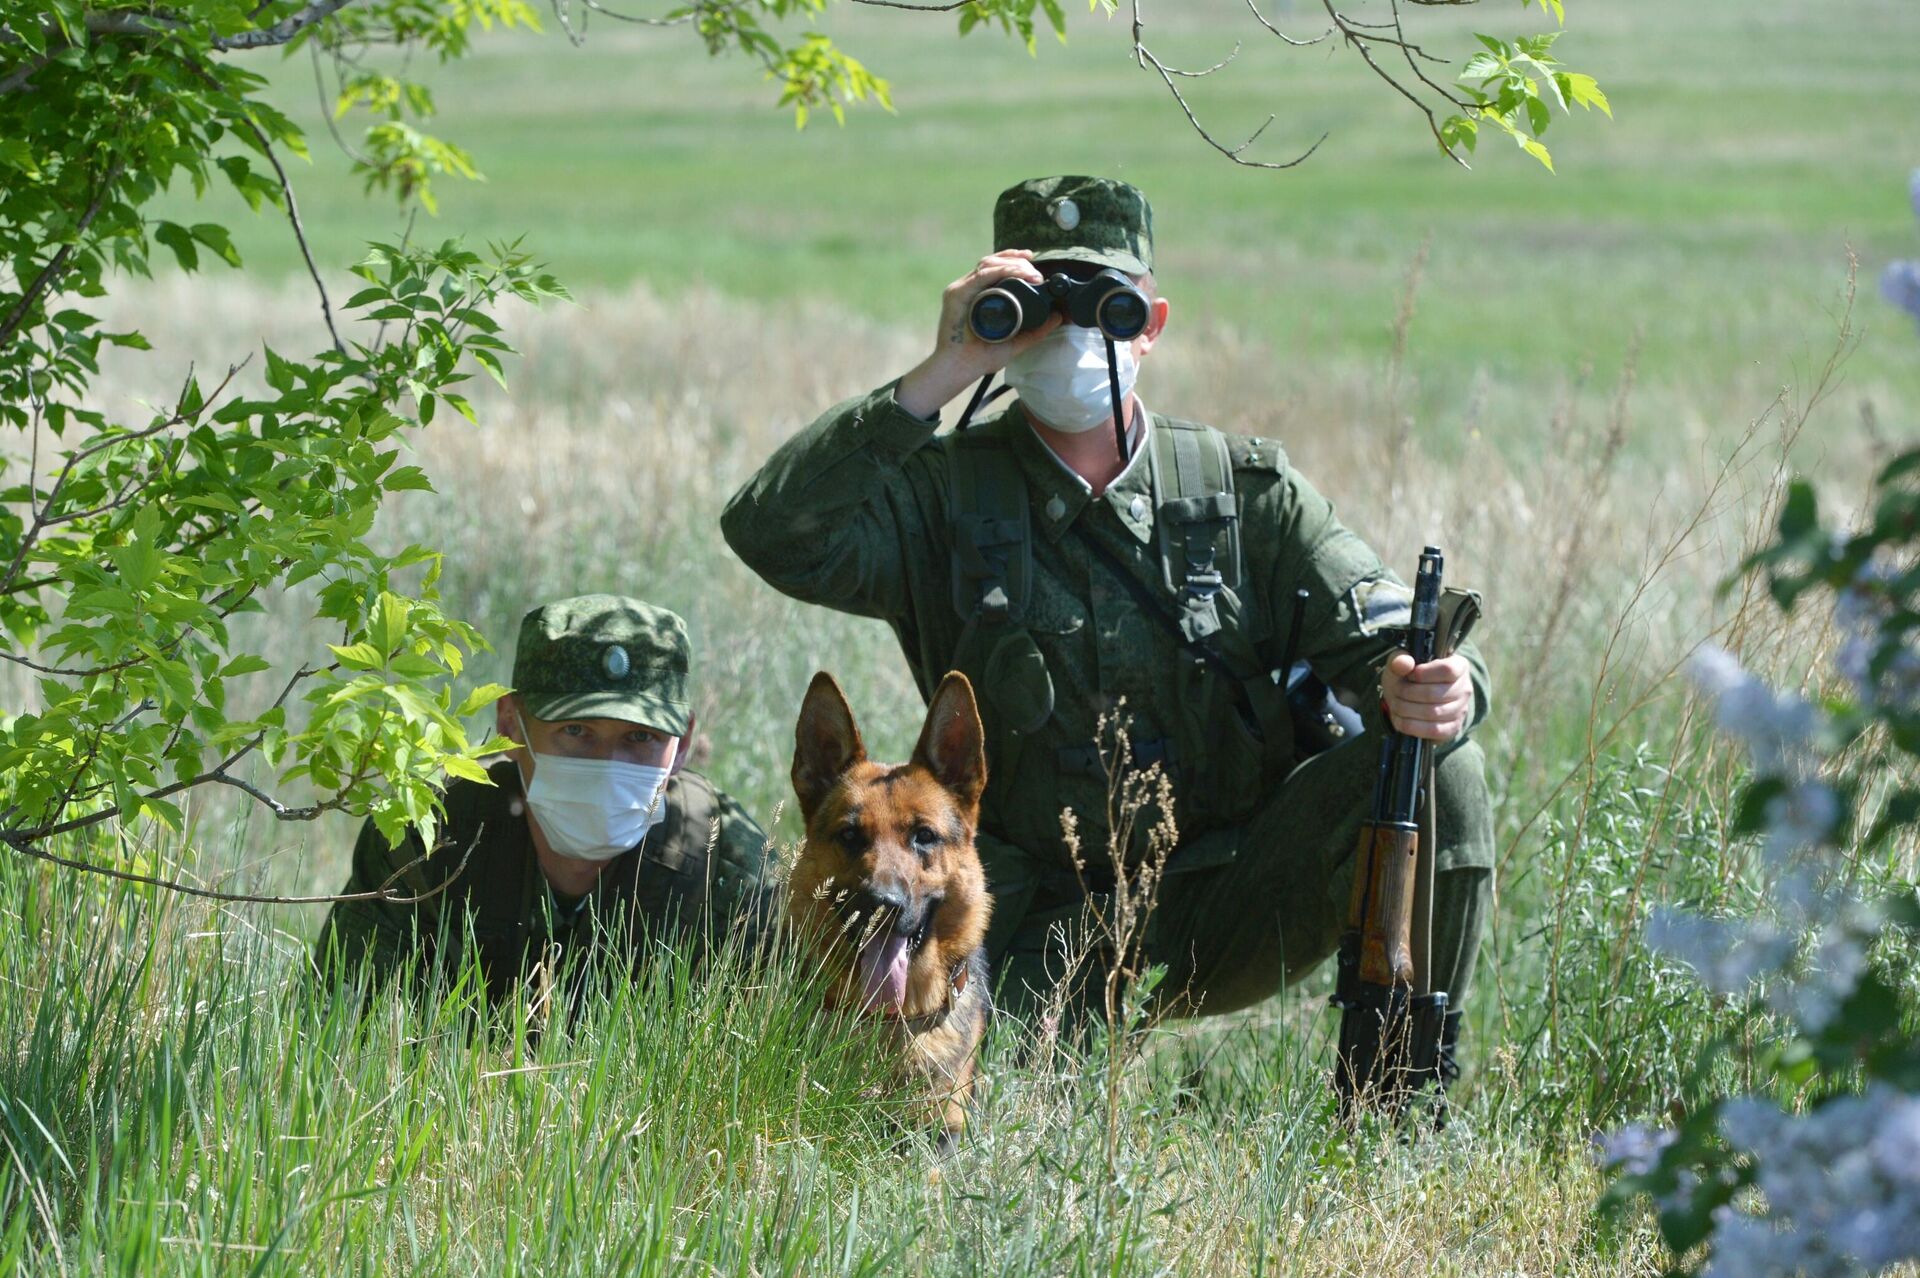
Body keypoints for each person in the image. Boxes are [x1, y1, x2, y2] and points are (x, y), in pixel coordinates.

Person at [720, 176, 1494, 1072]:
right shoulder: (943, 495)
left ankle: (1404, 1083)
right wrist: (944, 371)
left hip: (1223, 897)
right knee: (982, 1127)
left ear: (1152, 324)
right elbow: (769, 533)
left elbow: (1395, 641)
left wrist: (1438, 688)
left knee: (1443, 768)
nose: (1074, 336)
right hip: (1023, 922)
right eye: (1040, 306)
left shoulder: (1243, 496)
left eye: (1107, 308)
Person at [314, 594, 776, 1001]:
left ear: (684, 742)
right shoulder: (425, 836)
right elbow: (340, 1025)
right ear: (511, 724)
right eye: (576, 731)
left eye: (640, 737)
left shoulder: (732, 871)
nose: (607, 768)